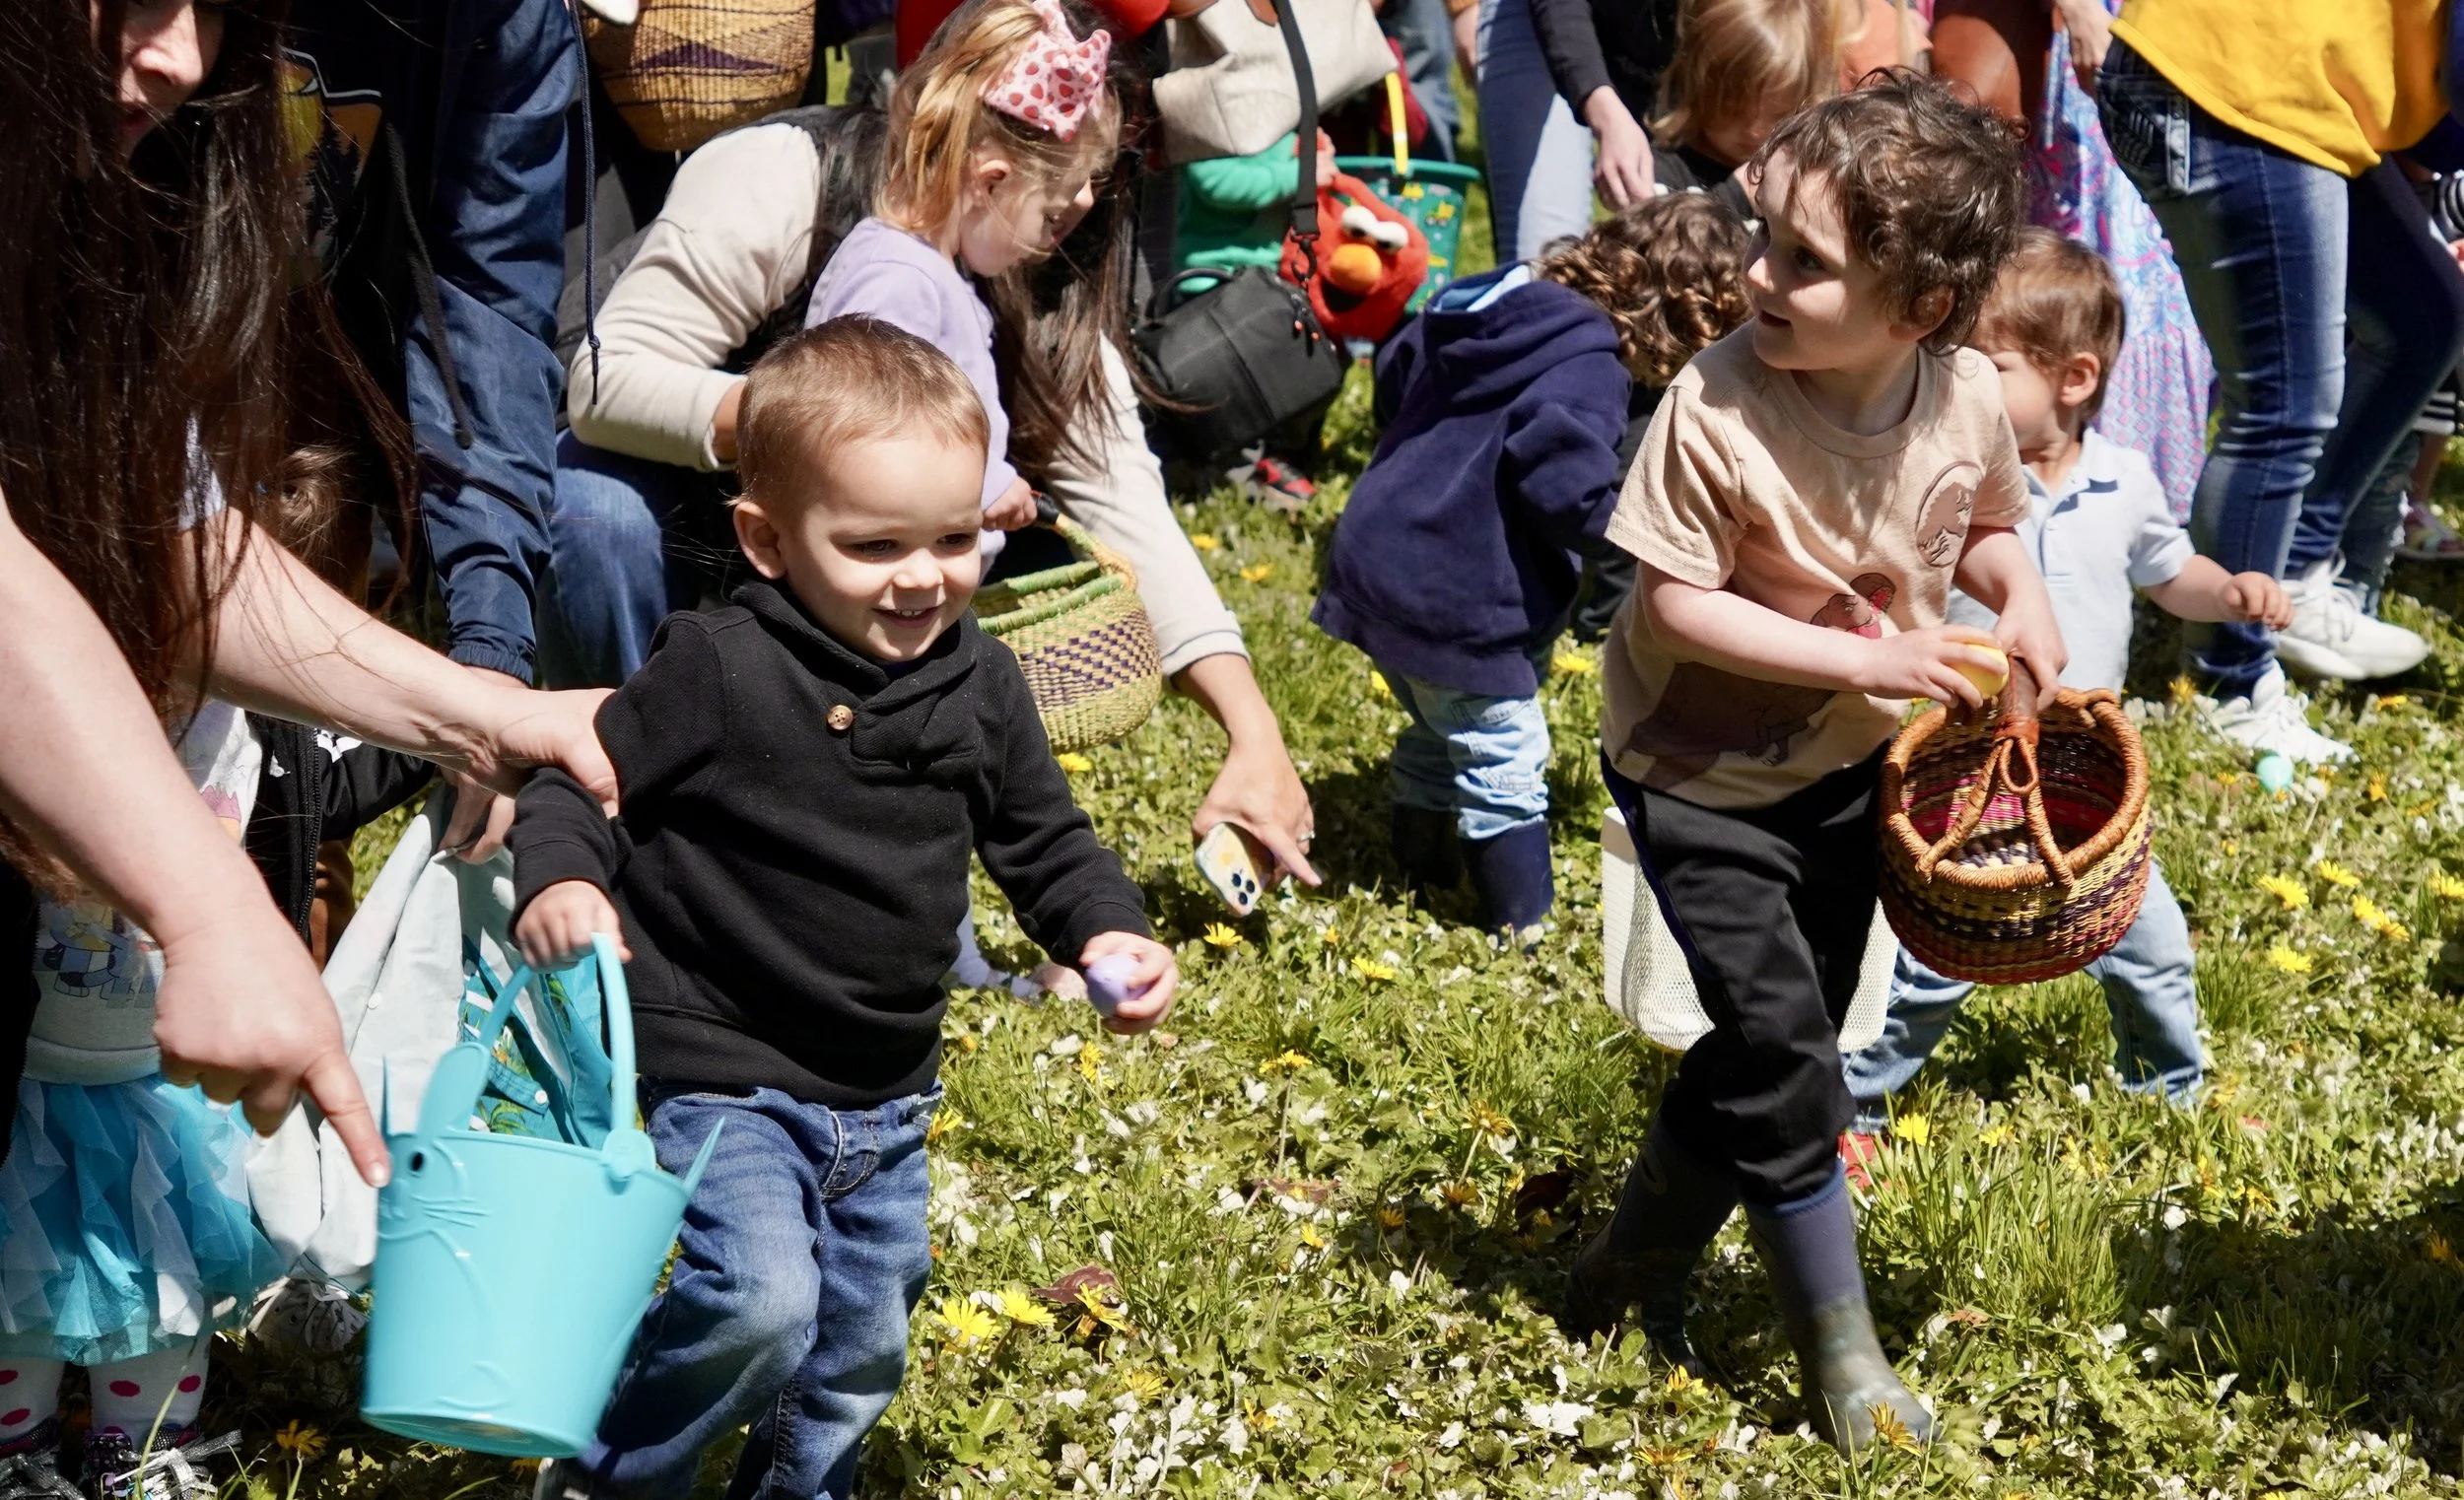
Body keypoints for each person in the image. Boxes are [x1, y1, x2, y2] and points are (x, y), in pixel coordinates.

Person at [515, 319, 1178, 1500]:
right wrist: (564, 877)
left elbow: (1042, 836)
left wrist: (1102, 926)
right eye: (873, 544)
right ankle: (614, 1474)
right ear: (767, 541)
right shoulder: (719, 667)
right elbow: (581, 780)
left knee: (857, 1350)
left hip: (885, 1088)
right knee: (759, 1300)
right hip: (721, 1061)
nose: (922, 575)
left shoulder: (982, 679)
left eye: (953, 537)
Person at [1565, 74, 2057, 1453]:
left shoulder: (1961, 395)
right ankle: (1842, 1359)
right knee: (1789, 1052)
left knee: (1792, 1027)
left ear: (1919, 312)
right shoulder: (1716, 409)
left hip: (1848, 770)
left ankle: (1626, 1270)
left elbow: (1988, 525)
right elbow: (1674, 602)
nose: (1755, 273)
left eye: (1802, 262)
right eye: (1759, 232)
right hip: (1696, 773)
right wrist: (1867, 664)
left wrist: (2023, 594)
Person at [550, 78, 1319, 882]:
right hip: (690, 496)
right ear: (992, 170)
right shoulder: (812, 191)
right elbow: (604, 382)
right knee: (599, 517)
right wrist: (842, 432)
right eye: (1063, 191)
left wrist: (1251, 729)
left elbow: (1118, 492)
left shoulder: (1015, 255)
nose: (1088, 205)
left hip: (845, 567)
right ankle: (615, 786)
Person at [1841, 230, 2289, 1173]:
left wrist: (2232, 592)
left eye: (1988, 363)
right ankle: (1856, 1104)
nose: (1959, 379)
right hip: (1967, 766)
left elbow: (2172, 574)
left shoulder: (2125, 483)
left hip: (2084, 773)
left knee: (2150, 944)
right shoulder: (1951, 478)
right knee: (1932, 959)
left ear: (2074, 377)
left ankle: (2169, 1097)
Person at [1315, 196, 1746, 943]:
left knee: (1439, 723)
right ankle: (1521, 925)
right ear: (1676, 322)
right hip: (1454, 589)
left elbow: (1397, 370)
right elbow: (1560, 485)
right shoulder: (1590, 365)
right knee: (1504, 747)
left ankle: (1421, 864)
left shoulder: (1502, 296)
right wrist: (1651, 533)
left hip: (1380, 552)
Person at [2098, 0, 2461, 760]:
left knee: (2423, 320)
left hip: (2296, 92)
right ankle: (2228, 687)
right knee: (2285, 405)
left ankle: (2293, 572)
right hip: (2229, 84)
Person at [805, 0, 1121, 548]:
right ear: (991, 182)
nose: (1048, 244)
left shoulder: (932, 272)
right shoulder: (899, 279)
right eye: (1049, 218)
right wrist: (987, 483)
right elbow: (868, 430)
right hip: (890, 586)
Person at [1565, 196, 1752, 640]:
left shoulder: (1581, 357)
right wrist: (1602, 627)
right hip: (1610, 611)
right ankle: (1599, 627)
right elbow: (1619, 532)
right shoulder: (1646, 417)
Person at [1174, 129, 1339, 509]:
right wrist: (1298, 176)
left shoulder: (1283, 122)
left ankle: (1270, 460)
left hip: (1266, 278)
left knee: (1284, 377)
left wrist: (1315, 154)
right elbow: (1216, 184)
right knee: (1224, 391)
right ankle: (1223, 474)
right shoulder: (1211, 125)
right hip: (1211, 280)